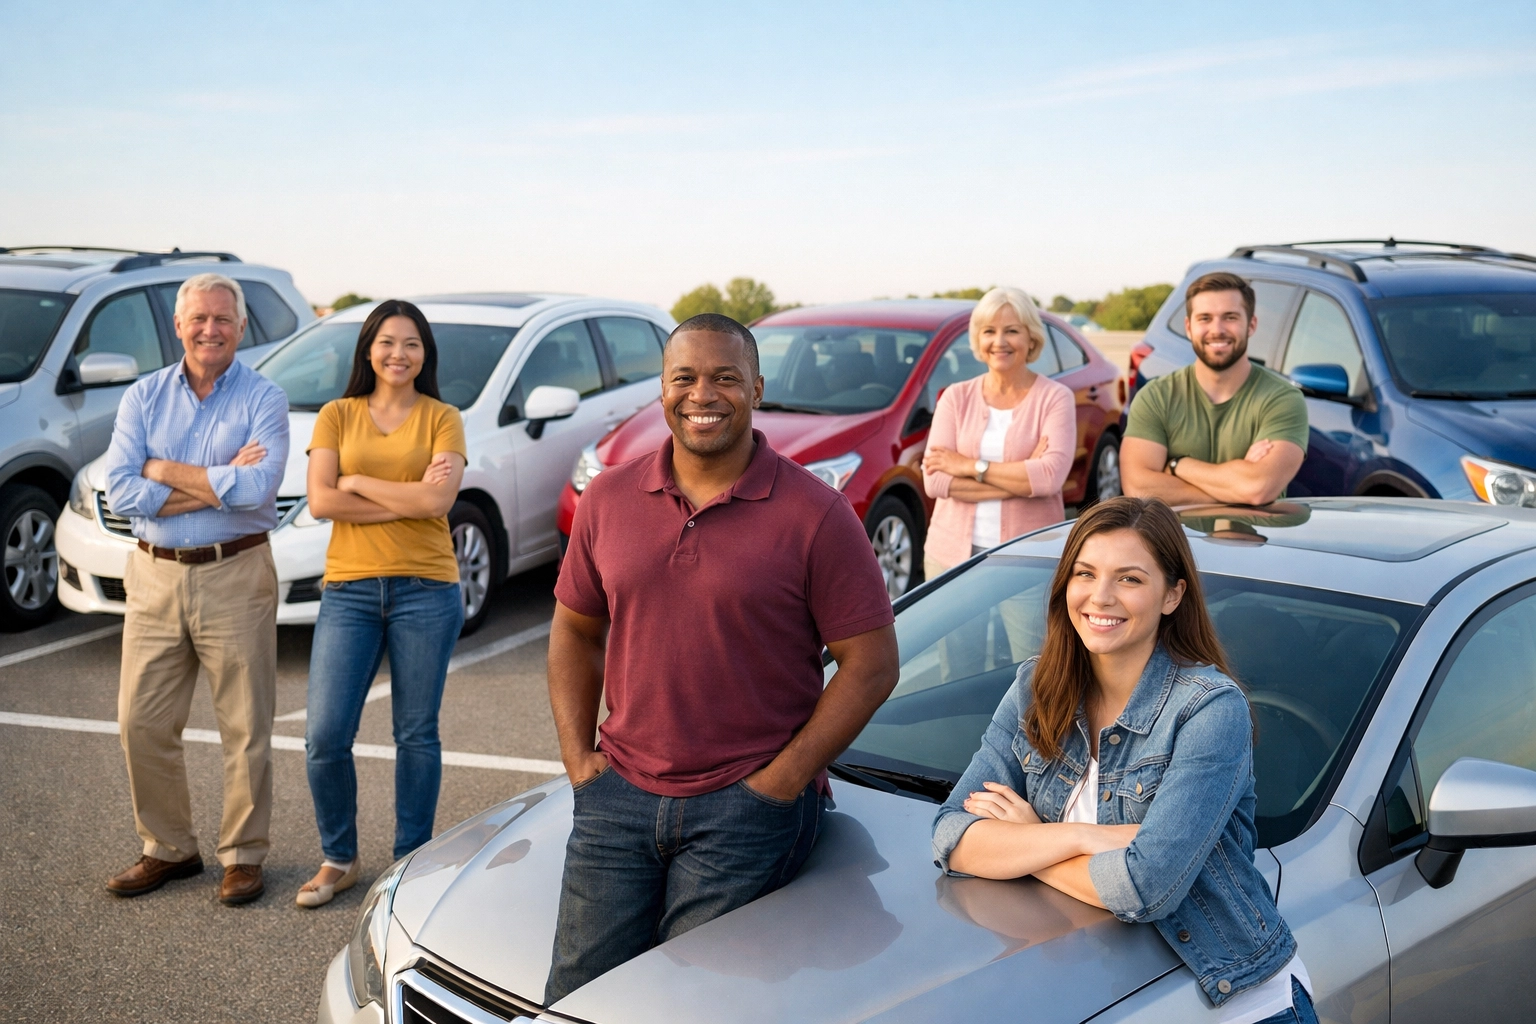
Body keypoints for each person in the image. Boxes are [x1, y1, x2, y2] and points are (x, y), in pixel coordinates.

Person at [545, 313, 900, 1003]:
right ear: (661, 389)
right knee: (577, 996)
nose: (702, 394)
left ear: (757, 388)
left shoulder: (815, 513)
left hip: (747, 807)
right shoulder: (609, 499)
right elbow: (573, 631)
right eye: (684, 377)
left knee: (697, 1004)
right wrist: (578, 762)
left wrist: (782, 781)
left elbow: (872, 664)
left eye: (725, 378)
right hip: (617, 795)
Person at [932, 496, 1315, 1023]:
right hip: (1103, 997)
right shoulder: (1035, 689)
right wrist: (1079, 837)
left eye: (1130, 579)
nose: (1101, 597)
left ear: (1172, 595)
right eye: (1085, 573)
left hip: (1236, 1003)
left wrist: (1026, 840)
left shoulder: (1208, 709)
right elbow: (952, 836)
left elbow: (1144, 888)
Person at [103, 273, 290, 906]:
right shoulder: (143, 396)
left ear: (241, 328)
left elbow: (260, 487)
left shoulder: (264, 397)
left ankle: (243, 856)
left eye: (223, 319)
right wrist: (215, 481)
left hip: (235, 572)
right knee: (140, 721)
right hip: (153, 574)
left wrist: (163, 473)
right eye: (199, 319)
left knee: (245, 724)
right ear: (179, 326)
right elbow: (122, 490)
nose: (210, 329)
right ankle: (169, 848)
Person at [297, 300, 467, 908]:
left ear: (426, 354)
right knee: (324, 734)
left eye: (412, 343)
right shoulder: (337, 415)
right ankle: (338, 857)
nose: (400, 354)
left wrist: (358, 481)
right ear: (368, 349)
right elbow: (321, 502)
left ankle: (409, 861)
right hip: (351, 590)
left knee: (416, 732)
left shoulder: (444, 418)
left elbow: (437, 503)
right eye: (388, 342)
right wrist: (409, 495)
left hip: (427, 588)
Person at [921, 286, 1075, 579]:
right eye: (989, 331)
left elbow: (1049, 478)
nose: (999, 342)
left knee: (1029, 629)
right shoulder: (955, 397)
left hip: (1029, 557)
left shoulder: (1056, 398)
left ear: (1031, 337)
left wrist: (968, 466)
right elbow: (935, 481)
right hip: (949, 557)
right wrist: (1022, 479)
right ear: (978, 339)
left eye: (1012, 331)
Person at [1121, 273, 1308, 506]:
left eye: (1230, 317)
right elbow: (1138, 489)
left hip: (1254, 542)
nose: (1217, 329)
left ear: (1251, 325)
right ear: (1189, 327)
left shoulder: (1282, 399)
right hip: (1175, 542)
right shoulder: (1156, 397)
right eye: (1205, 318)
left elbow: (1258, 488)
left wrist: (1177, 465)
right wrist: (1236, 489)